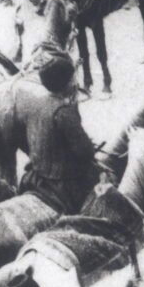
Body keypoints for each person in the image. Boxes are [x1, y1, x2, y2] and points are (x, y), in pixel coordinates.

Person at [19, 53, 99, 217]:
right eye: (73, 77)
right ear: (68, 82)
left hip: (36, 174)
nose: (74, 81)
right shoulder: (64, 111)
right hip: (63, 182)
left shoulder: (34, 103)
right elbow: (84, 152)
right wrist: (90, 147)